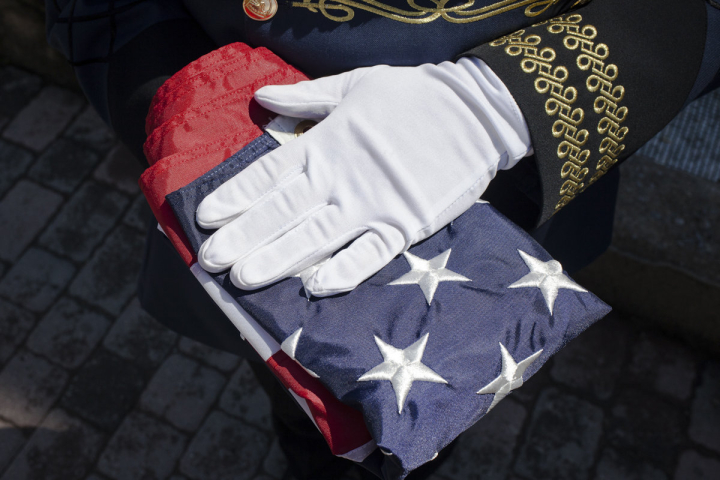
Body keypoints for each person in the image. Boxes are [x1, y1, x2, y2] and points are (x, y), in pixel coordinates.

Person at [45, 0, 719, 478]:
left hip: (502, 172)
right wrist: (182, 107)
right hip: (261, 168)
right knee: (311, 412)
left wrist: (498, 105)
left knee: (442, 392)